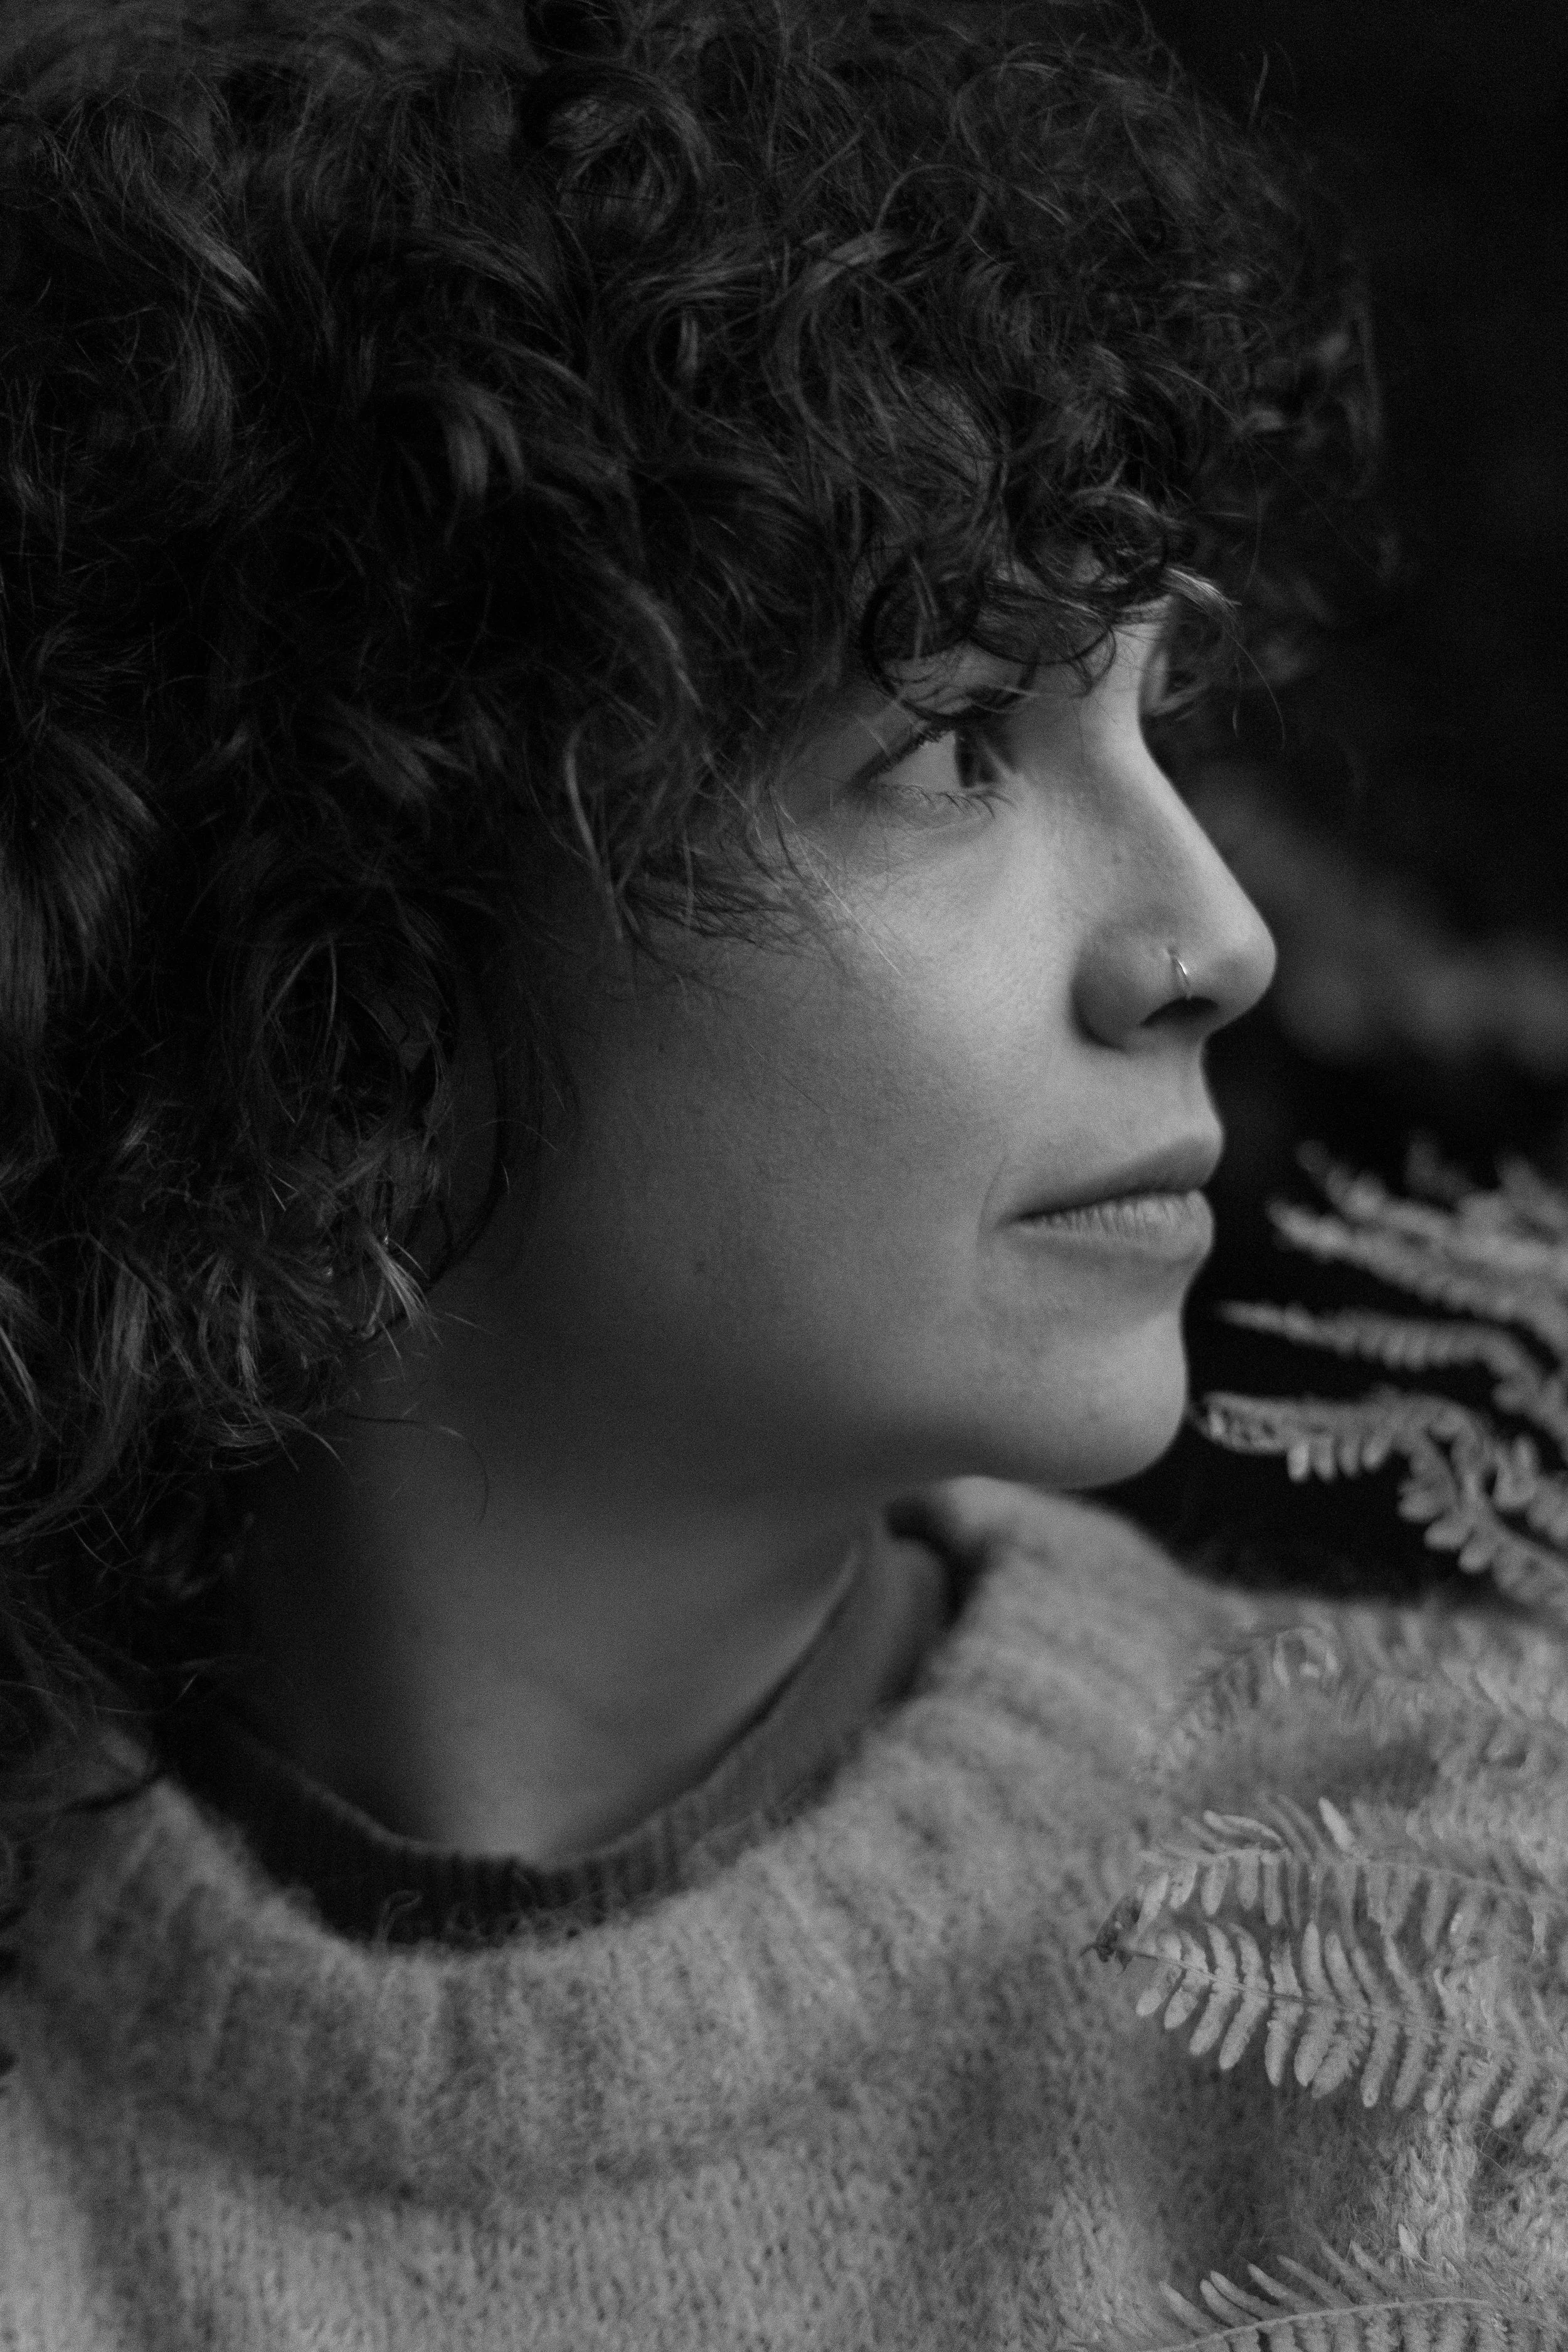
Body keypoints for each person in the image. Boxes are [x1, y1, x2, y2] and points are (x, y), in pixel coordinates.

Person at [1, 0, 1563, 2342]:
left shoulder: (1468, 1942)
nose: (1210, 940)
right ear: (359, 908)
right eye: (950, 748)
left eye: (1160, 712)